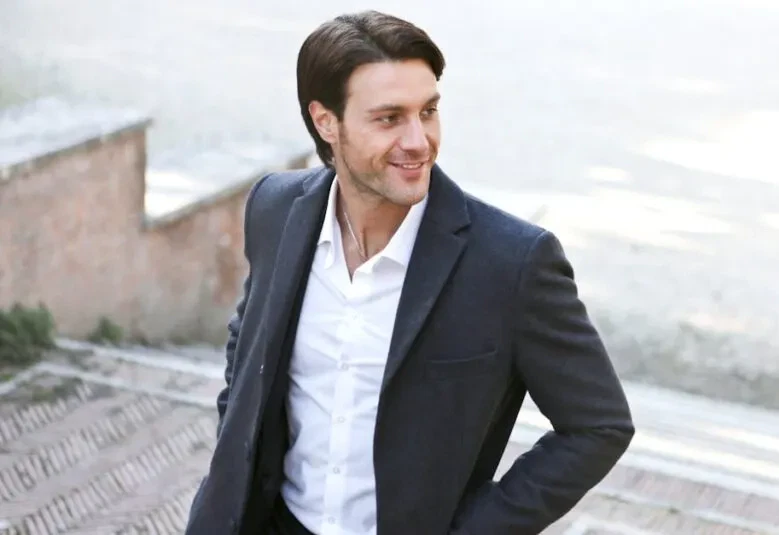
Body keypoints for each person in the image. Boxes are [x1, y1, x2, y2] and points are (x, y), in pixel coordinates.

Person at [185, 10, 634, 535]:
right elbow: (249, 343)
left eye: (429, 111)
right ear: (327, 121)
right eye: (389, 117)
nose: (419, 141)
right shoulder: (275, 208)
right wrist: (236, 461)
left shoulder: (512, 262)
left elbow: (598, 424)